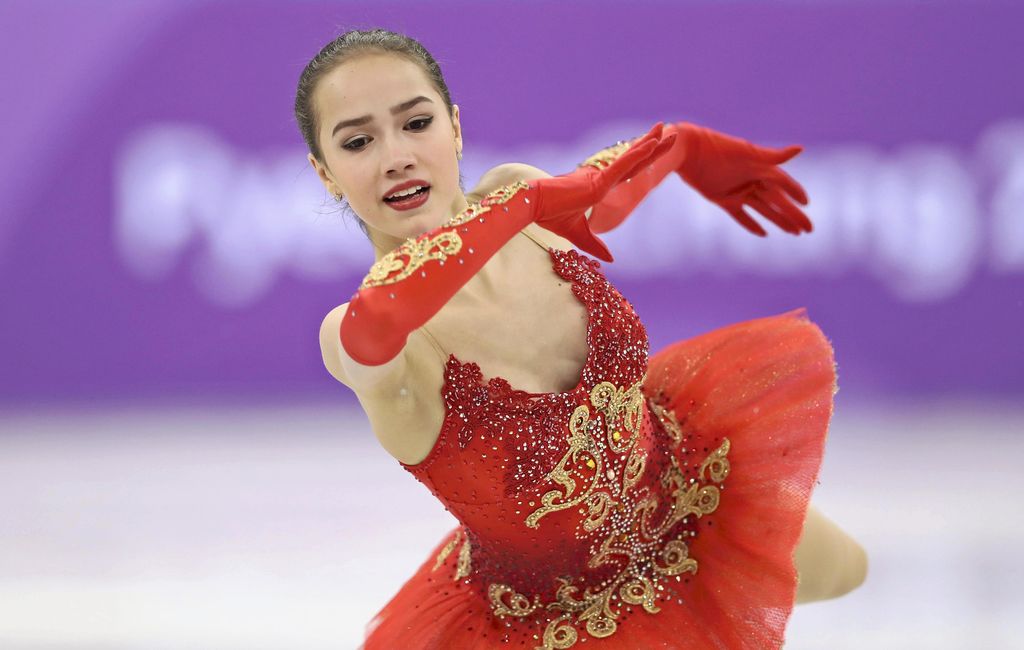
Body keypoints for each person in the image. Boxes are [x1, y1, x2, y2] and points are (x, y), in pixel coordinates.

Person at [295, 28, 867, 649]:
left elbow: (605, 196)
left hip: (689, 499)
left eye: (416, 123)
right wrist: (531, 201)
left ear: (455, 127)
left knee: (851, 571)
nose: (396, 156)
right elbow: (387, 309)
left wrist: (687, 148)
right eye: (358, 141)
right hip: (556, 625)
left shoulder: (520, 197)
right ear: (326, 174)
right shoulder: (362, 340)